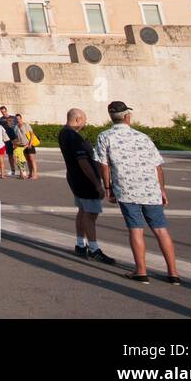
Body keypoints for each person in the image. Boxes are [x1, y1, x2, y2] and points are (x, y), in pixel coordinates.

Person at [96, 100, 179, 285]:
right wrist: (162, 190)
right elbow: (157, 165)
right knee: (160, 229)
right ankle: (173, 273)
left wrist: (108, 187)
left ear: (111, 117)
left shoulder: (105, 137)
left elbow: (103, 164)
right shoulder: (143, 137)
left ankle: (141, 271)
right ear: (127, 116)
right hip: (151, 189)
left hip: (126, 190)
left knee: (136, 229)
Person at [58, 107, 114, 264]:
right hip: (85, 181)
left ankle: (80, 244)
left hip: (75, 179)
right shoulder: (73, 137)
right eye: (84, 120)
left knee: (82, 211)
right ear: (77, 120)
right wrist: (97, 184)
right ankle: (94, 249)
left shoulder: (64, 133)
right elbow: (83, 162)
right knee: (90, 214)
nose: (85, 123)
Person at [17, 113, 39, 179]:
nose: (18, 120)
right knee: (28, 160)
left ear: (21, 118)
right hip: (22, 146)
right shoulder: (17, 127)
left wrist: (30, 143)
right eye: (16, 119)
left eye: (19, 118)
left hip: (29, 145)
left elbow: (32, 134)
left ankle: (35, 175)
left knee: (32, 159)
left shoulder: (26, 125)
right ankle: (30, 173)